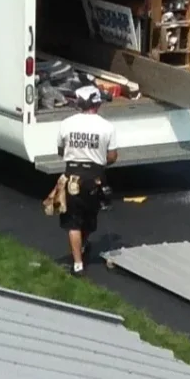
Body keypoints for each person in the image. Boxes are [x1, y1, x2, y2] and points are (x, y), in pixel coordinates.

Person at [55, 84, 117, 273]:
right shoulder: (107, 127)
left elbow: (60, 151)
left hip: (71, 176)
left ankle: (78, 264)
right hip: (95, 178)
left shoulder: (66, 124)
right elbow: (113, 156)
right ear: (96, 104)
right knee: (90, 218)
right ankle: (82, 245)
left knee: (73, 222)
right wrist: (98, 161)